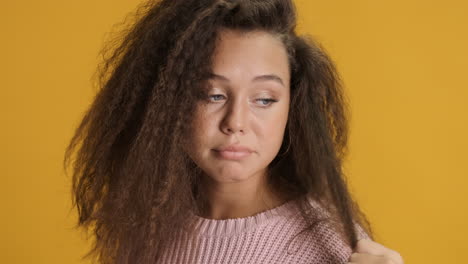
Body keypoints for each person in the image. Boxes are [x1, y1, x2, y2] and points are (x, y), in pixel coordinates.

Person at [64, 0, 404, 263]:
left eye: (265, 99)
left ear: (293, 109)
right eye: (213, 95)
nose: (236, 122)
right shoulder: (149, 222)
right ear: (166, 105)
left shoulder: (328, 247)